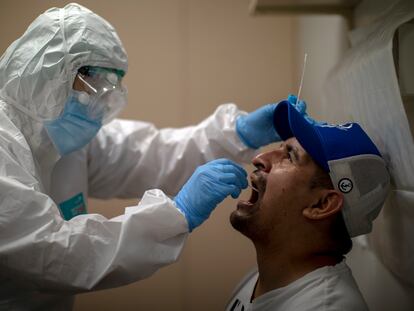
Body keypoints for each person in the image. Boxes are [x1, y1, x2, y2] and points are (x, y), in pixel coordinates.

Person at [0, 3, 306, 310]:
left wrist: (238, 134)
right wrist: (175, 215)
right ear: (47, 73)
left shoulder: (62, 137)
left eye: (108, 94)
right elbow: (53, 254)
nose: (99, 106)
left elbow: (153, 154)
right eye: (93, 88)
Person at [226, 100, 390, 311]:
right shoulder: (258, 280)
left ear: (322, 204)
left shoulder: (328, 307)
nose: (259, 158)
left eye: (289, 156)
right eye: (279, 148)